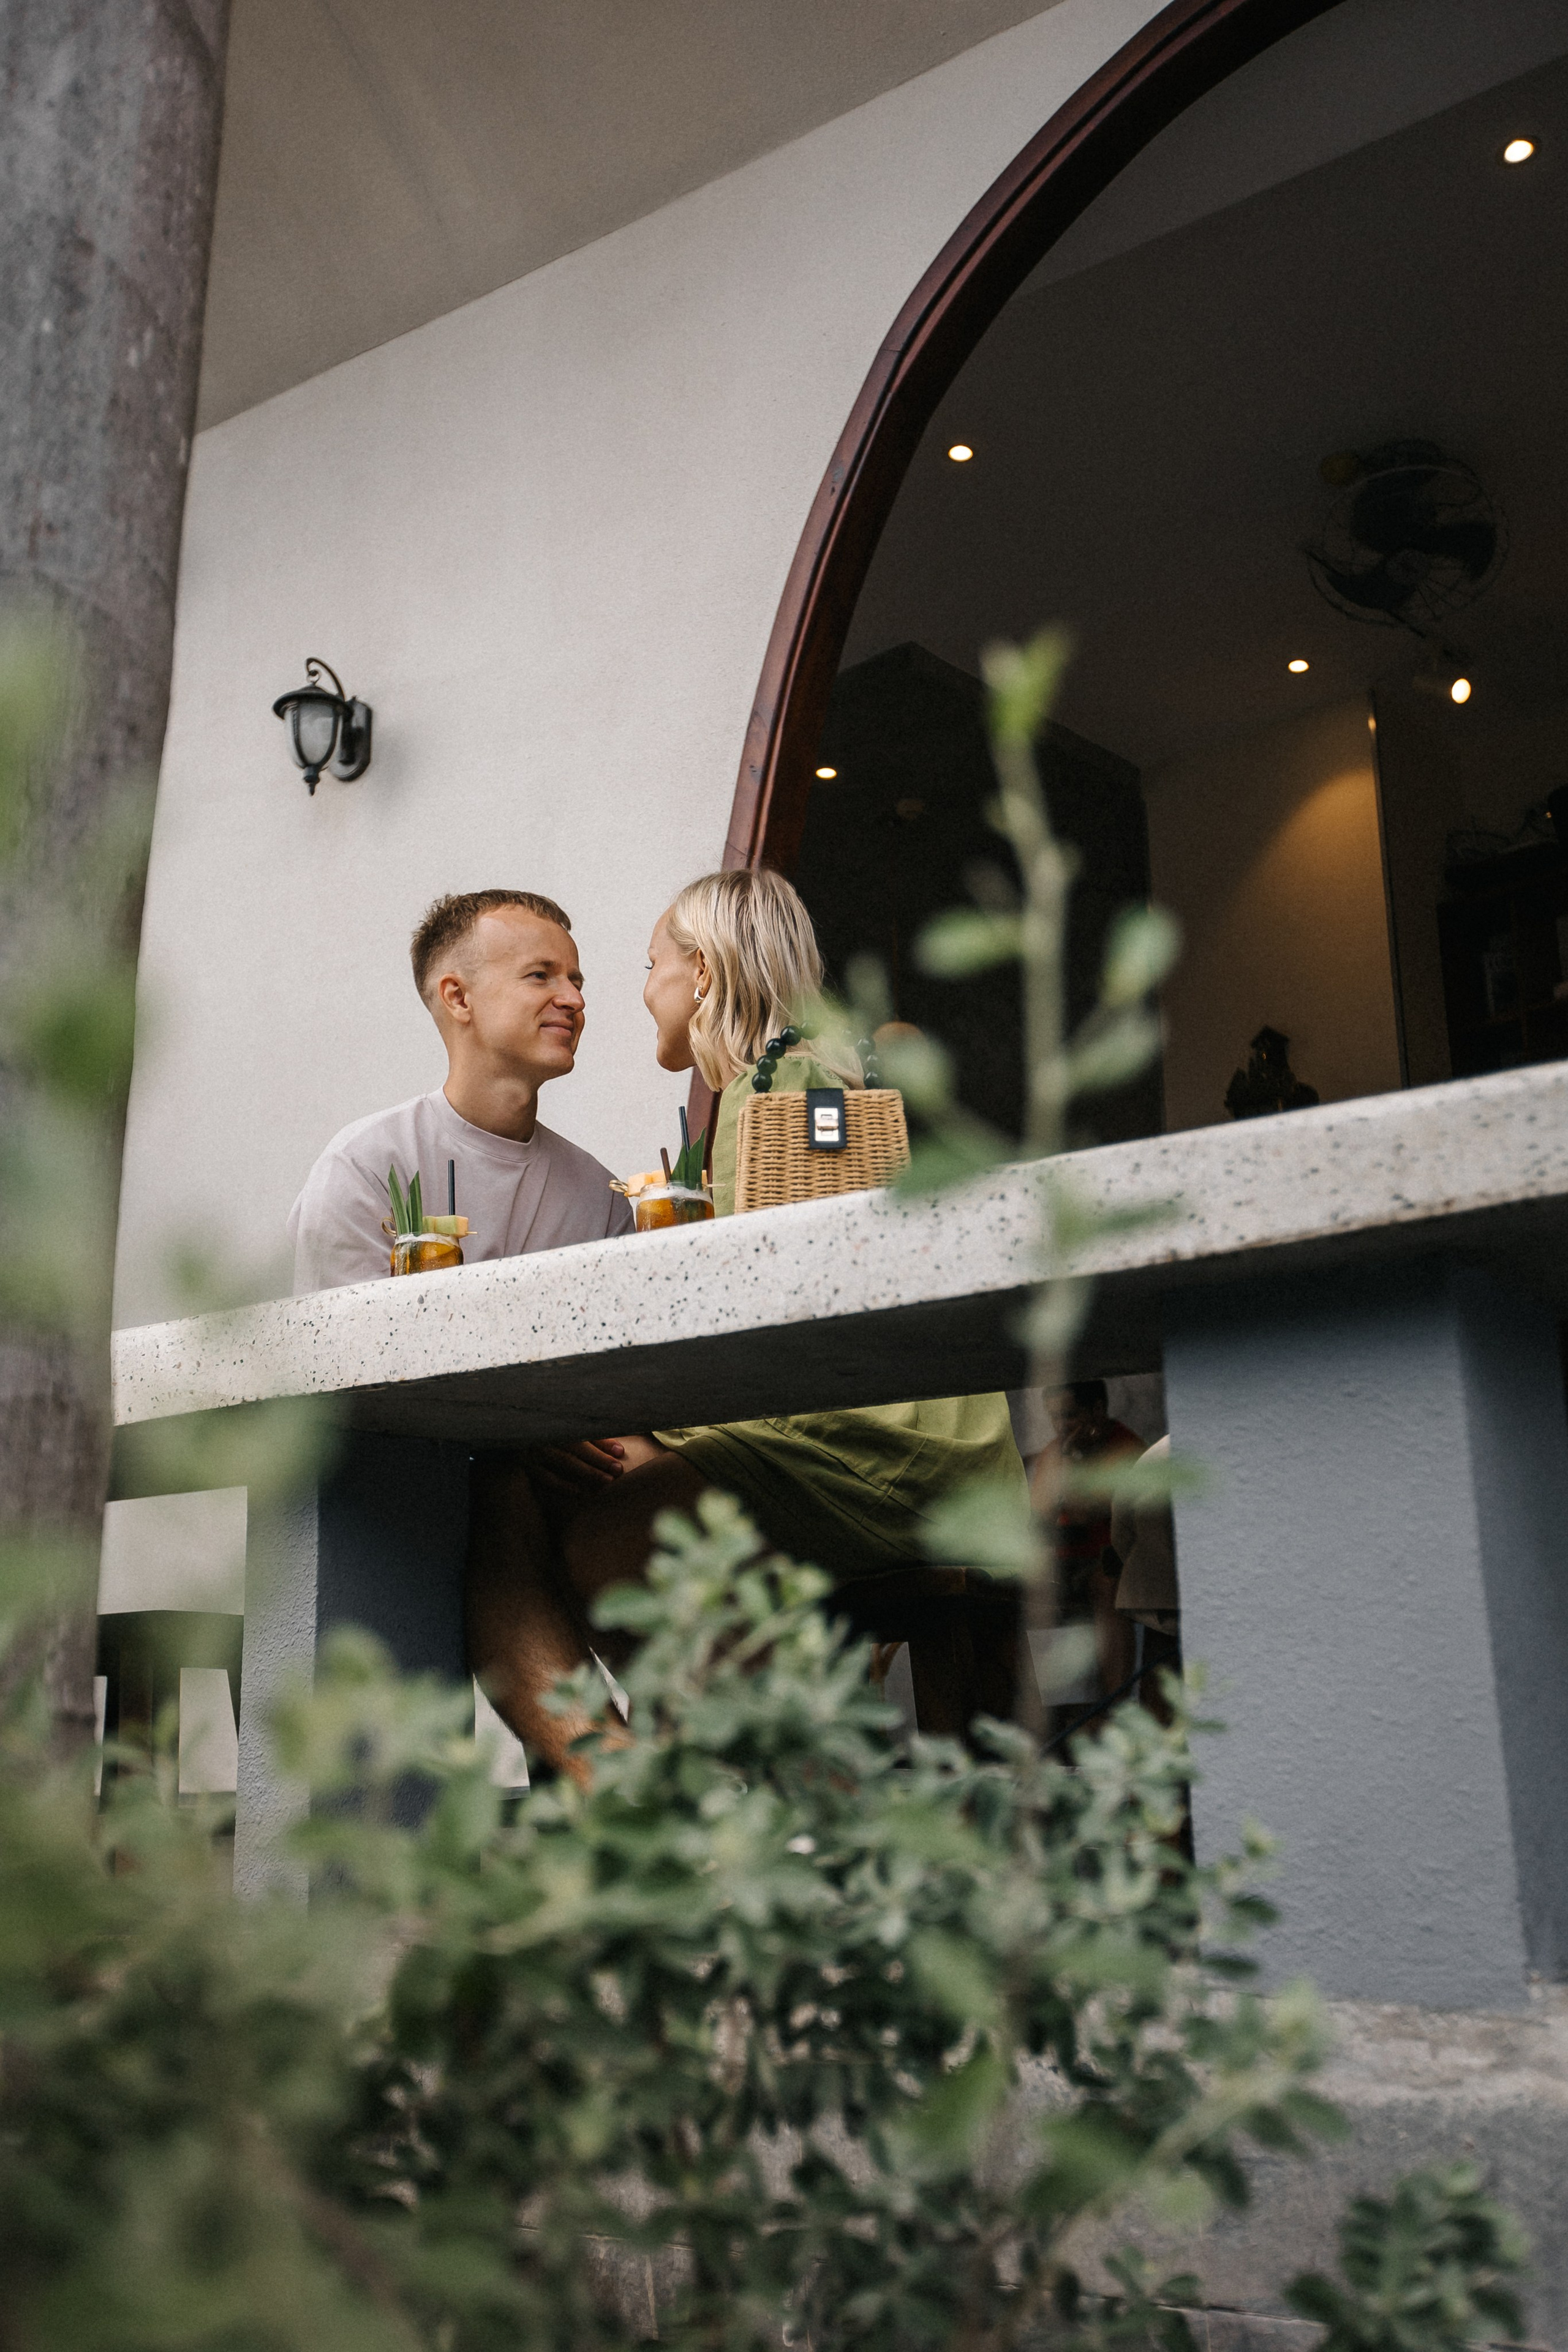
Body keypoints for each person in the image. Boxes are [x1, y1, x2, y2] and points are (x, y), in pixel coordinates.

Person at [466, 867, 1030, 1775]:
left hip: (885, 1451)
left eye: (651, 965)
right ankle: (650, 1780)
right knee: (542, 1491)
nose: (641, 991)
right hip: (849, 1439)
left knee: (610, 1525)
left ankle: (763, 1791)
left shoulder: (799, 1084)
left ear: (703, 973)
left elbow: (803, 1313)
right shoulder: (761, 1092)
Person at [288, 889, 632, 1293]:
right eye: (540, 975)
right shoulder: (365, 1170)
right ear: (459, 998)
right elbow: (342, 1333)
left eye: (576, 982)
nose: (575, 1000)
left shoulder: (601, 1199)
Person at [1037, 1381, 1144, 1697]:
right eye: (1054, 1417)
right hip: (1066, 1561)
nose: (1060, 1426)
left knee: (1106, 1584)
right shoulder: (1054, 1451)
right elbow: (1038, 1520)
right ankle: (1061, 1713)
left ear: (1097, 1410)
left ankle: (1115, 1702)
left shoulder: (1124, 1448)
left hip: (1114, 1562)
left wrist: (1068, 1462)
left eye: (1069, 1415)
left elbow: (1083, 1510)